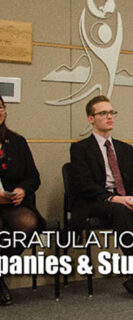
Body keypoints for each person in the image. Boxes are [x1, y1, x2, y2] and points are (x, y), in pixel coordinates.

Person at [69, 95, 133, 303]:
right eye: (103, 113)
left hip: (126, 201)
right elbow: (84, 186)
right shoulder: (80, 148)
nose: (109, 117)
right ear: (91, 119)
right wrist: (114, 199)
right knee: (119, 210)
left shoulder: (125, 148)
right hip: (97, 203)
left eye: (111, 112)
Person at [0, 95, 45, 305]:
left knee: (28, 223)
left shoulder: (17, 141)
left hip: (12, 204)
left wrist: (22, 190)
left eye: (0, 107)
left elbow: (34, 177)